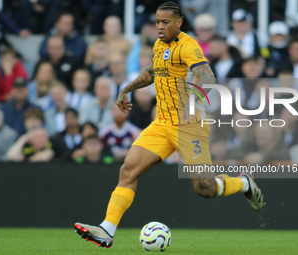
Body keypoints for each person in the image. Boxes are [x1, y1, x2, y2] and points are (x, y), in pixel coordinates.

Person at [74, 2, 265, 248]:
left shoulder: (187, 46)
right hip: (162, 123)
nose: (160, 26)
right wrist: (127, 88)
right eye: (157, 22)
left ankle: (243, 182)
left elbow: (207, 75)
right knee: (128, 169)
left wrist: (195, 101)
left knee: (204, 188)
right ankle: (107, 229)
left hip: (189, 125)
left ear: (179, 22)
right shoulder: (158, 44)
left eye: (165, 22)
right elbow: (153, 71)